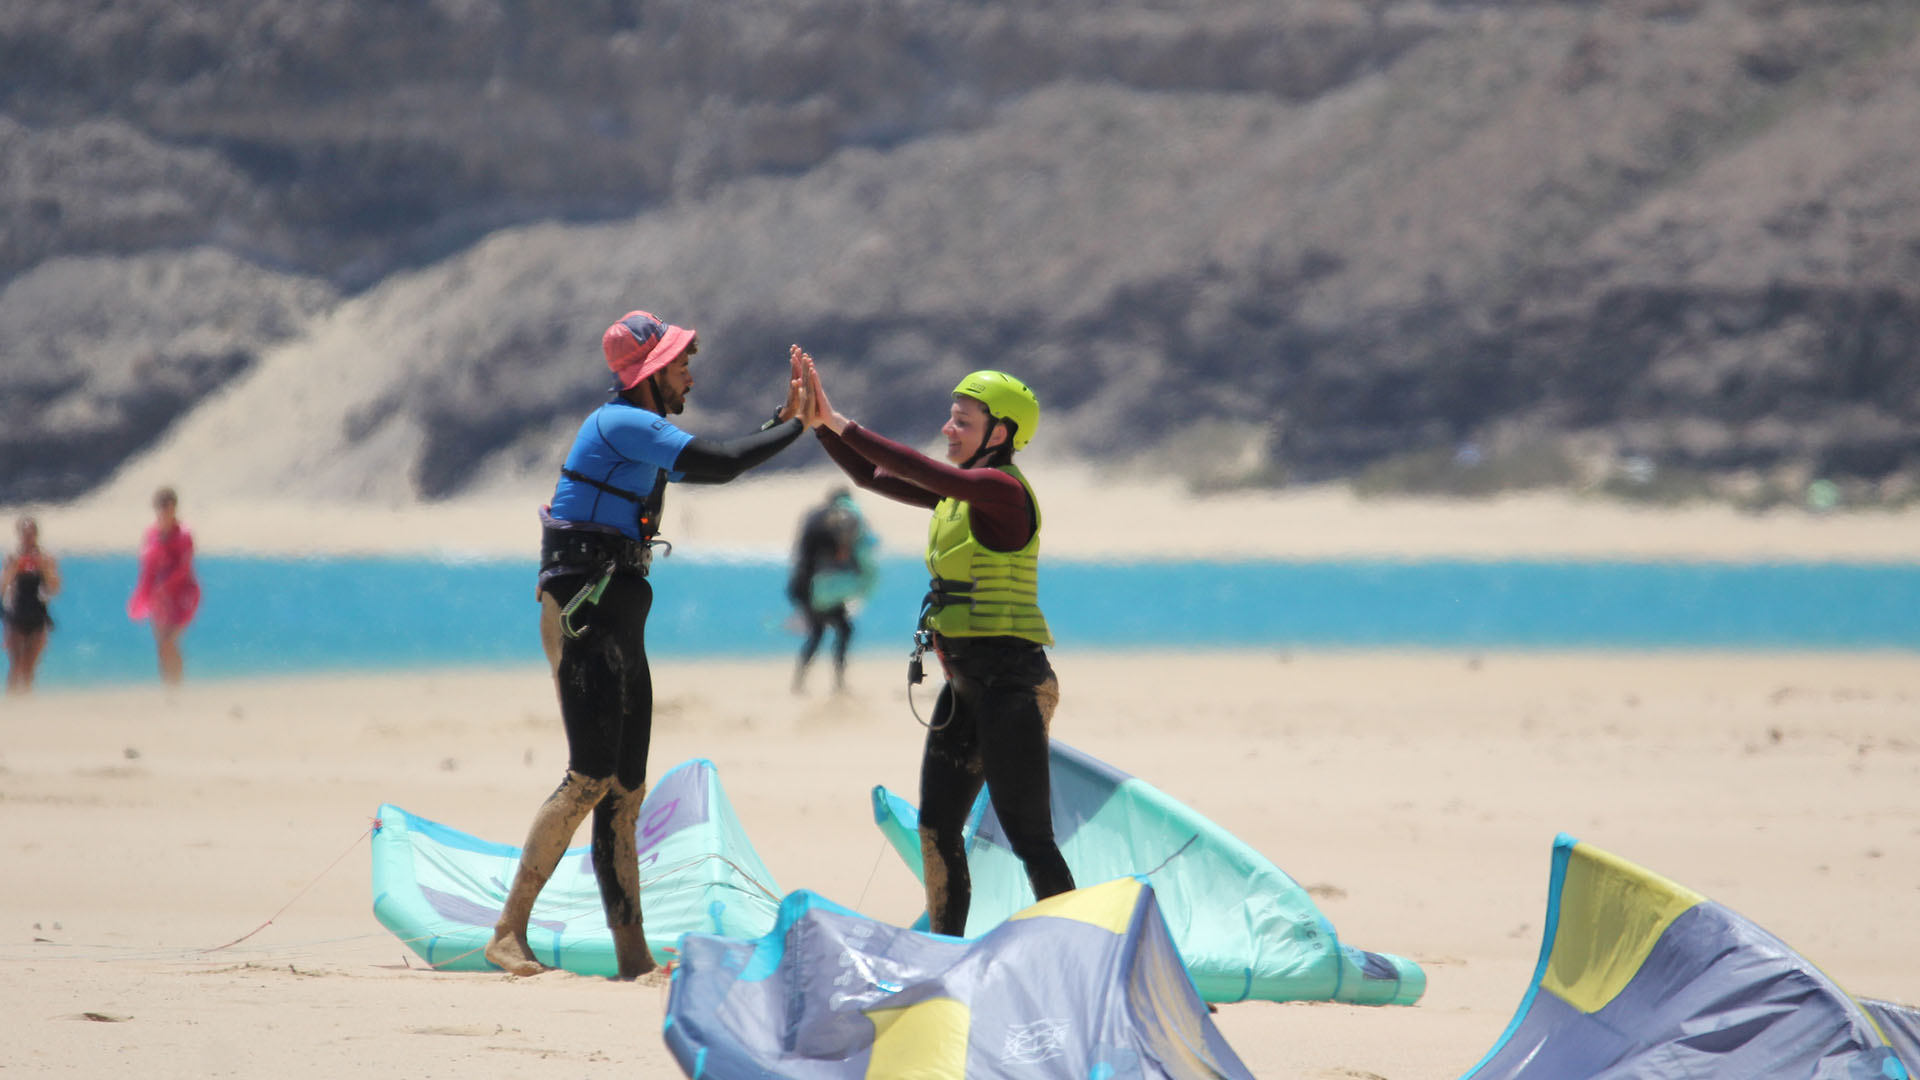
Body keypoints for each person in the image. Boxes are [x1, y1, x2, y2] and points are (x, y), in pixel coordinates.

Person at [485, 310, 811, 980]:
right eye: (680, 364)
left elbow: (715, 460)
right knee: (590, 776)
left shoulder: (641, 430)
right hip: (586, 614)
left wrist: (776, 427)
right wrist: (798, 426)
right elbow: (719, 464)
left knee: (625, 789)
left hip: (618, 616)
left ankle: (632, 956)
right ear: (651, 376)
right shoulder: (621, 423)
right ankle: (507, 931)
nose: (690, 373)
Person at [796, 349, 1073, 935]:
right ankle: (945, 951)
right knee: (936, 828)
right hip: (966, 686)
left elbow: (932, 474)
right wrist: (818, 423)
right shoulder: (960, 496)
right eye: (951, 418)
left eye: (962, 422)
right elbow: (871, 475)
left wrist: (841, 419)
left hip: (1014, 684)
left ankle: (1079, 955)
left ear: (1001, 433)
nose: (947, 429)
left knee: (1030, 838)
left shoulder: (1001, 493)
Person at [786, 487, 876, 694]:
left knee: (823, 632)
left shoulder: (815, 517)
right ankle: (834, 683)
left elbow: (802, 553)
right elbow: (840, 553)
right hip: (818, 587)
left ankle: (806, 683)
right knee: (835, 631)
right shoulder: (835, 520)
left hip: (806, 585)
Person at [128, 487, 199, 686]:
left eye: (168, 506)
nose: (165, 511)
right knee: (162, 645)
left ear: (174, 507)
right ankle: (168, 688)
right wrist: (142, 594)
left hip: (182, 595)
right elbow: (146, 566)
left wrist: (166, 585)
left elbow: (185, 566)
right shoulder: (151, 534)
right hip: (157, 598)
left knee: (170, 640)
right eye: (161, 506)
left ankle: (177, 686)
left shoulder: (184, 534)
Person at [3, 516, 61, 694]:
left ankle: (27, 703)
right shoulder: (13, 558)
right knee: (16, 662)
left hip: (37, 612)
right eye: (24, 533)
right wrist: (13, 570)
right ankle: (12, 702)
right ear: (19, 534)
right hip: (17, 612)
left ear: (36, 534)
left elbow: (54, 588)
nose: (28, 537)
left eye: (31, 533)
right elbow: (3, 586)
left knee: (30, 666)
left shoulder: (46, 558)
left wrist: (45, 569)